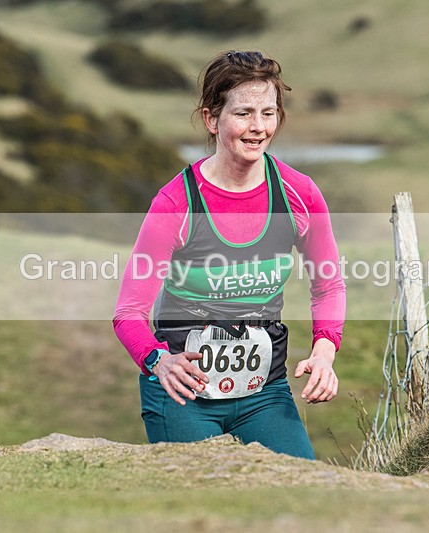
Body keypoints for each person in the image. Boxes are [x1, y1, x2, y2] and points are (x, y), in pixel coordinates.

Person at [113, 50, 346, 460]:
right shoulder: (175, 203)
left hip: (265, 392)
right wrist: (158, 361)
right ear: (211, 119)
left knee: (304, 487)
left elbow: (328, 285)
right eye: (243, 114)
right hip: (183, 390)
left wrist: (324, 353)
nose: (258, 127)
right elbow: (128, 313)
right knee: (203, 494)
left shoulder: (299, 194)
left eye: (268, 113)